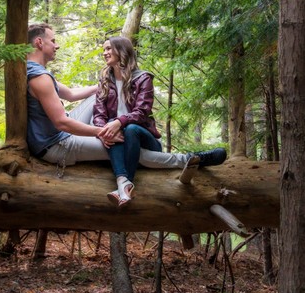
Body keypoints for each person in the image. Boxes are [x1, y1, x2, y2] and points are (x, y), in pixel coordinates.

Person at [26, 23, 225, 200]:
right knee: (123, 146)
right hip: (56, 142)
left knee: (124, 134)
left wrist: (103, 87)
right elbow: (61, 123)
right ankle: (188, 159)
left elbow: (70, 94)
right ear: (39, 43)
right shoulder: (40, 77)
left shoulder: (37, 72)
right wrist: (102, 132)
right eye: (53, 41)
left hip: (63, 132)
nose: (56, 45)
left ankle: (126, 169)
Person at [93, 36, 226, 207]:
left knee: (130, 128)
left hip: (144, 139)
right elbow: (98, 114)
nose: (105, 53)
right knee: (113, 129)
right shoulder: (104, 81)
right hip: (121, 143)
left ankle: (126, 181)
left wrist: (118, 122)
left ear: (122, 51)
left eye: (109, 49)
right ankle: (125, 185)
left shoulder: (142, 78)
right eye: (104, 50)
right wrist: (102, 132)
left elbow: (142, 112)